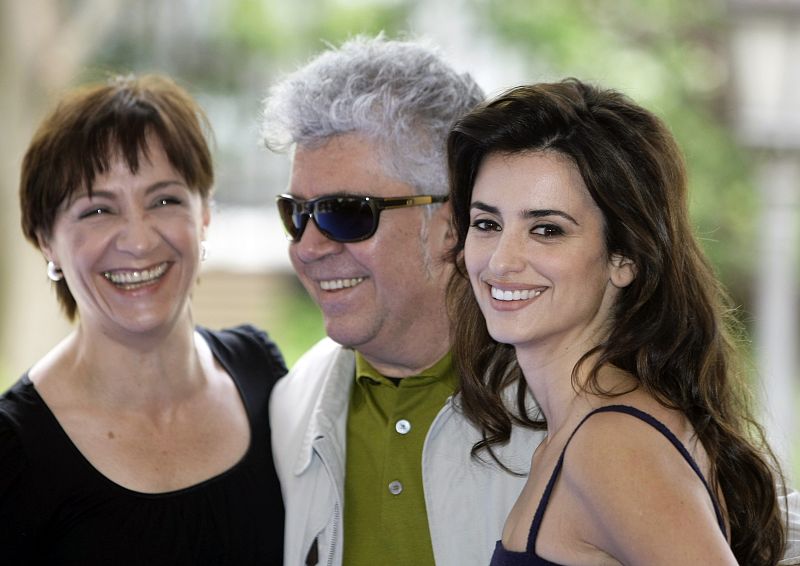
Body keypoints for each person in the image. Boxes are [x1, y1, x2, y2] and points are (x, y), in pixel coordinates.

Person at [445, 78, 796, 564]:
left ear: (624, 257)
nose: (502, 261)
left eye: (546, 230)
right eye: (487, 224)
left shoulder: (611, 444)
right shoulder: (583, 429)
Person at [261, 35, 546, 566]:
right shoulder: (292, 404)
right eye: (296, 213)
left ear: (449, 221)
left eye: (346, 212)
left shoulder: (568, 409)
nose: (308, 246)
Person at [0, 74, 286, 565]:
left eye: (165, 200)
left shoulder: (262, 374)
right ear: (46, 240)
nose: (138, 239)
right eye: (96, 210)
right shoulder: (13, 452)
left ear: (204, 215)